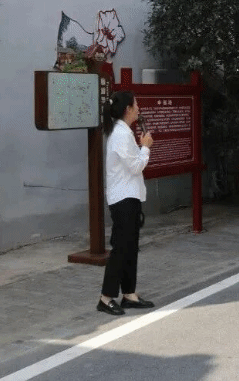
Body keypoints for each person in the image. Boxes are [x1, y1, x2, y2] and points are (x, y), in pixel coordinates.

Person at [97, 91, 155, 316]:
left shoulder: (123, 132)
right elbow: (135, 166)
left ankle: (129, 294)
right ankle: (105, 297)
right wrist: (146, 147)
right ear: (128, 109)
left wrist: (141, 147)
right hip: (123, 199)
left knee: (130, 247)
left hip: (129, 197)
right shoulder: (121, 135)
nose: (139, 108)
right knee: (121, 248)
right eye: (136, 104)